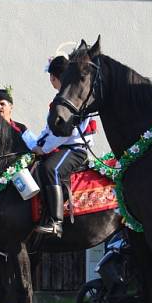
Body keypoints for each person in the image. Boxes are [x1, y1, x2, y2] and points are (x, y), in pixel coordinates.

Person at [31, 54, 96, 237]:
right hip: (64, 146)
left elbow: (65, 132)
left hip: (76, 149)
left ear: (54, 77)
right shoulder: (59, 100)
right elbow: (49, 130)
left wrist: (43, 149)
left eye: (50, 78)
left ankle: (56, 221)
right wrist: (37, 145)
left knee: (51, 169)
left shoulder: (74, 99)